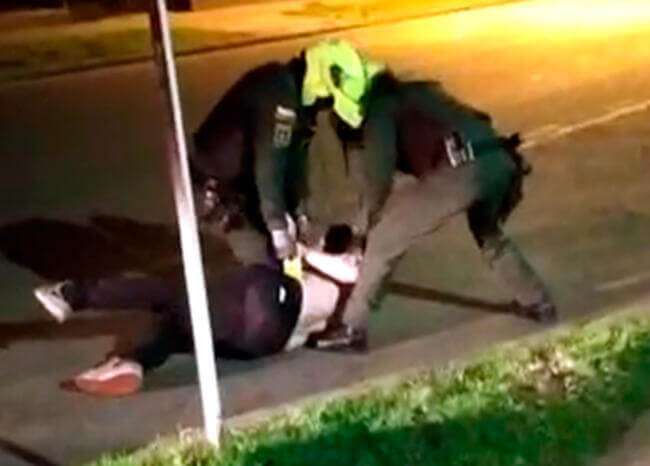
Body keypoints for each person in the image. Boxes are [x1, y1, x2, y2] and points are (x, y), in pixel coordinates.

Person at [303, 47, 557, 350]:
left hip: (462, 170)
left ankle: (350, 328)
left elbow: (377, 182)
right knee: (489, 234)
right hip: (498, 160)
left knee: (385, 235)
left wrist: (360, 233)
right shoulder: (418, 92)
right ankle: (538, 302)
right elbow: (477, 118)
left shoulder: (380, 109)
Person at [32, 225, 361, 397]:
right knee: (182, 328)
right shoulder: (343, 310)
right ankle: (131, 362)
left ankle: (73, 296)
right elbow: (303, 339)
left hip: (269, 296)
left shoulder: (349, 269)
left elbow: (349, 271)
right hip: (266, 340)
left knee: (173, 291)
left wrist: (301, 249)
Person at [191, 38, 383, 268]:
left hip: (242, 187)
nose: (326, 109)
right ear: (320, 87)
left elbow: (295, 159)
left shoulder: (297, 103)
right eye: (328, 102)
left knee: (279, 259)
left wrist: (298, 211)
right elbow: (270, 165)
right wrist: (278, 227)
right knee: (262, 266)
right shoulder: (278, 93)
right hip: (216, 189)